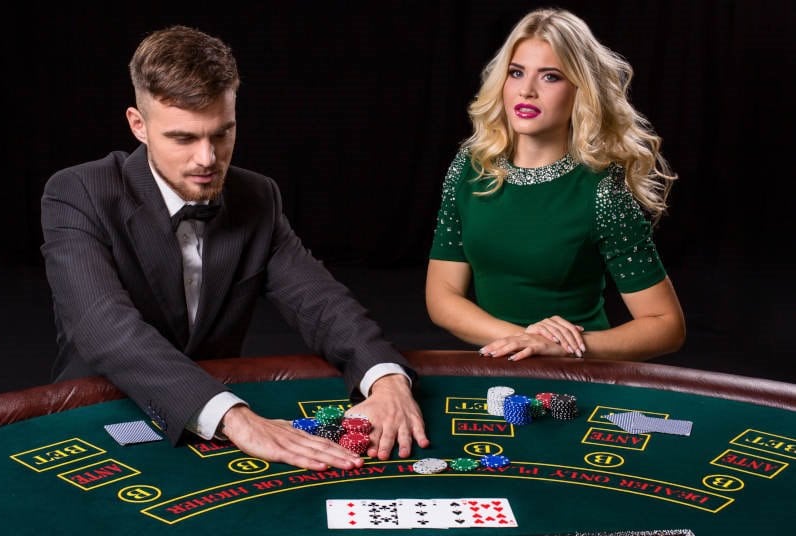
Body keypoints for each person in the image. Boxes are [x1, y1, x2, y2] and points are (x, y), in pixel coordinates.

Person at [40, 25, 428, 471]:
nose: (207, 158)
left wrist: (386, 379)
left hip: (217, 437)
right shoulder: (79, 192)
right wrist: (235, 418)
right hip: (101, 419)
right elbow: (103, 327)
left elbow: (319, 302)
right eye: (183, 138)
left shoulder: (257, 196)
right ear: (139, 125)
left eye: (222, 134)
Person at [426, 8, 685, 362]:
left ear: (581, 89)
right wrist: (526, 340)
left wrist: (564, 347)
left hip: (578, 368)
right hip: (494, 363)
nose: (527, 91)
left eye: (550, 77)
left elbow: (666, 325)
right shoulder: (471, 167)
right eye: (517, 73)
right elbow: (442, 297)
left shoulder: (603, 190)